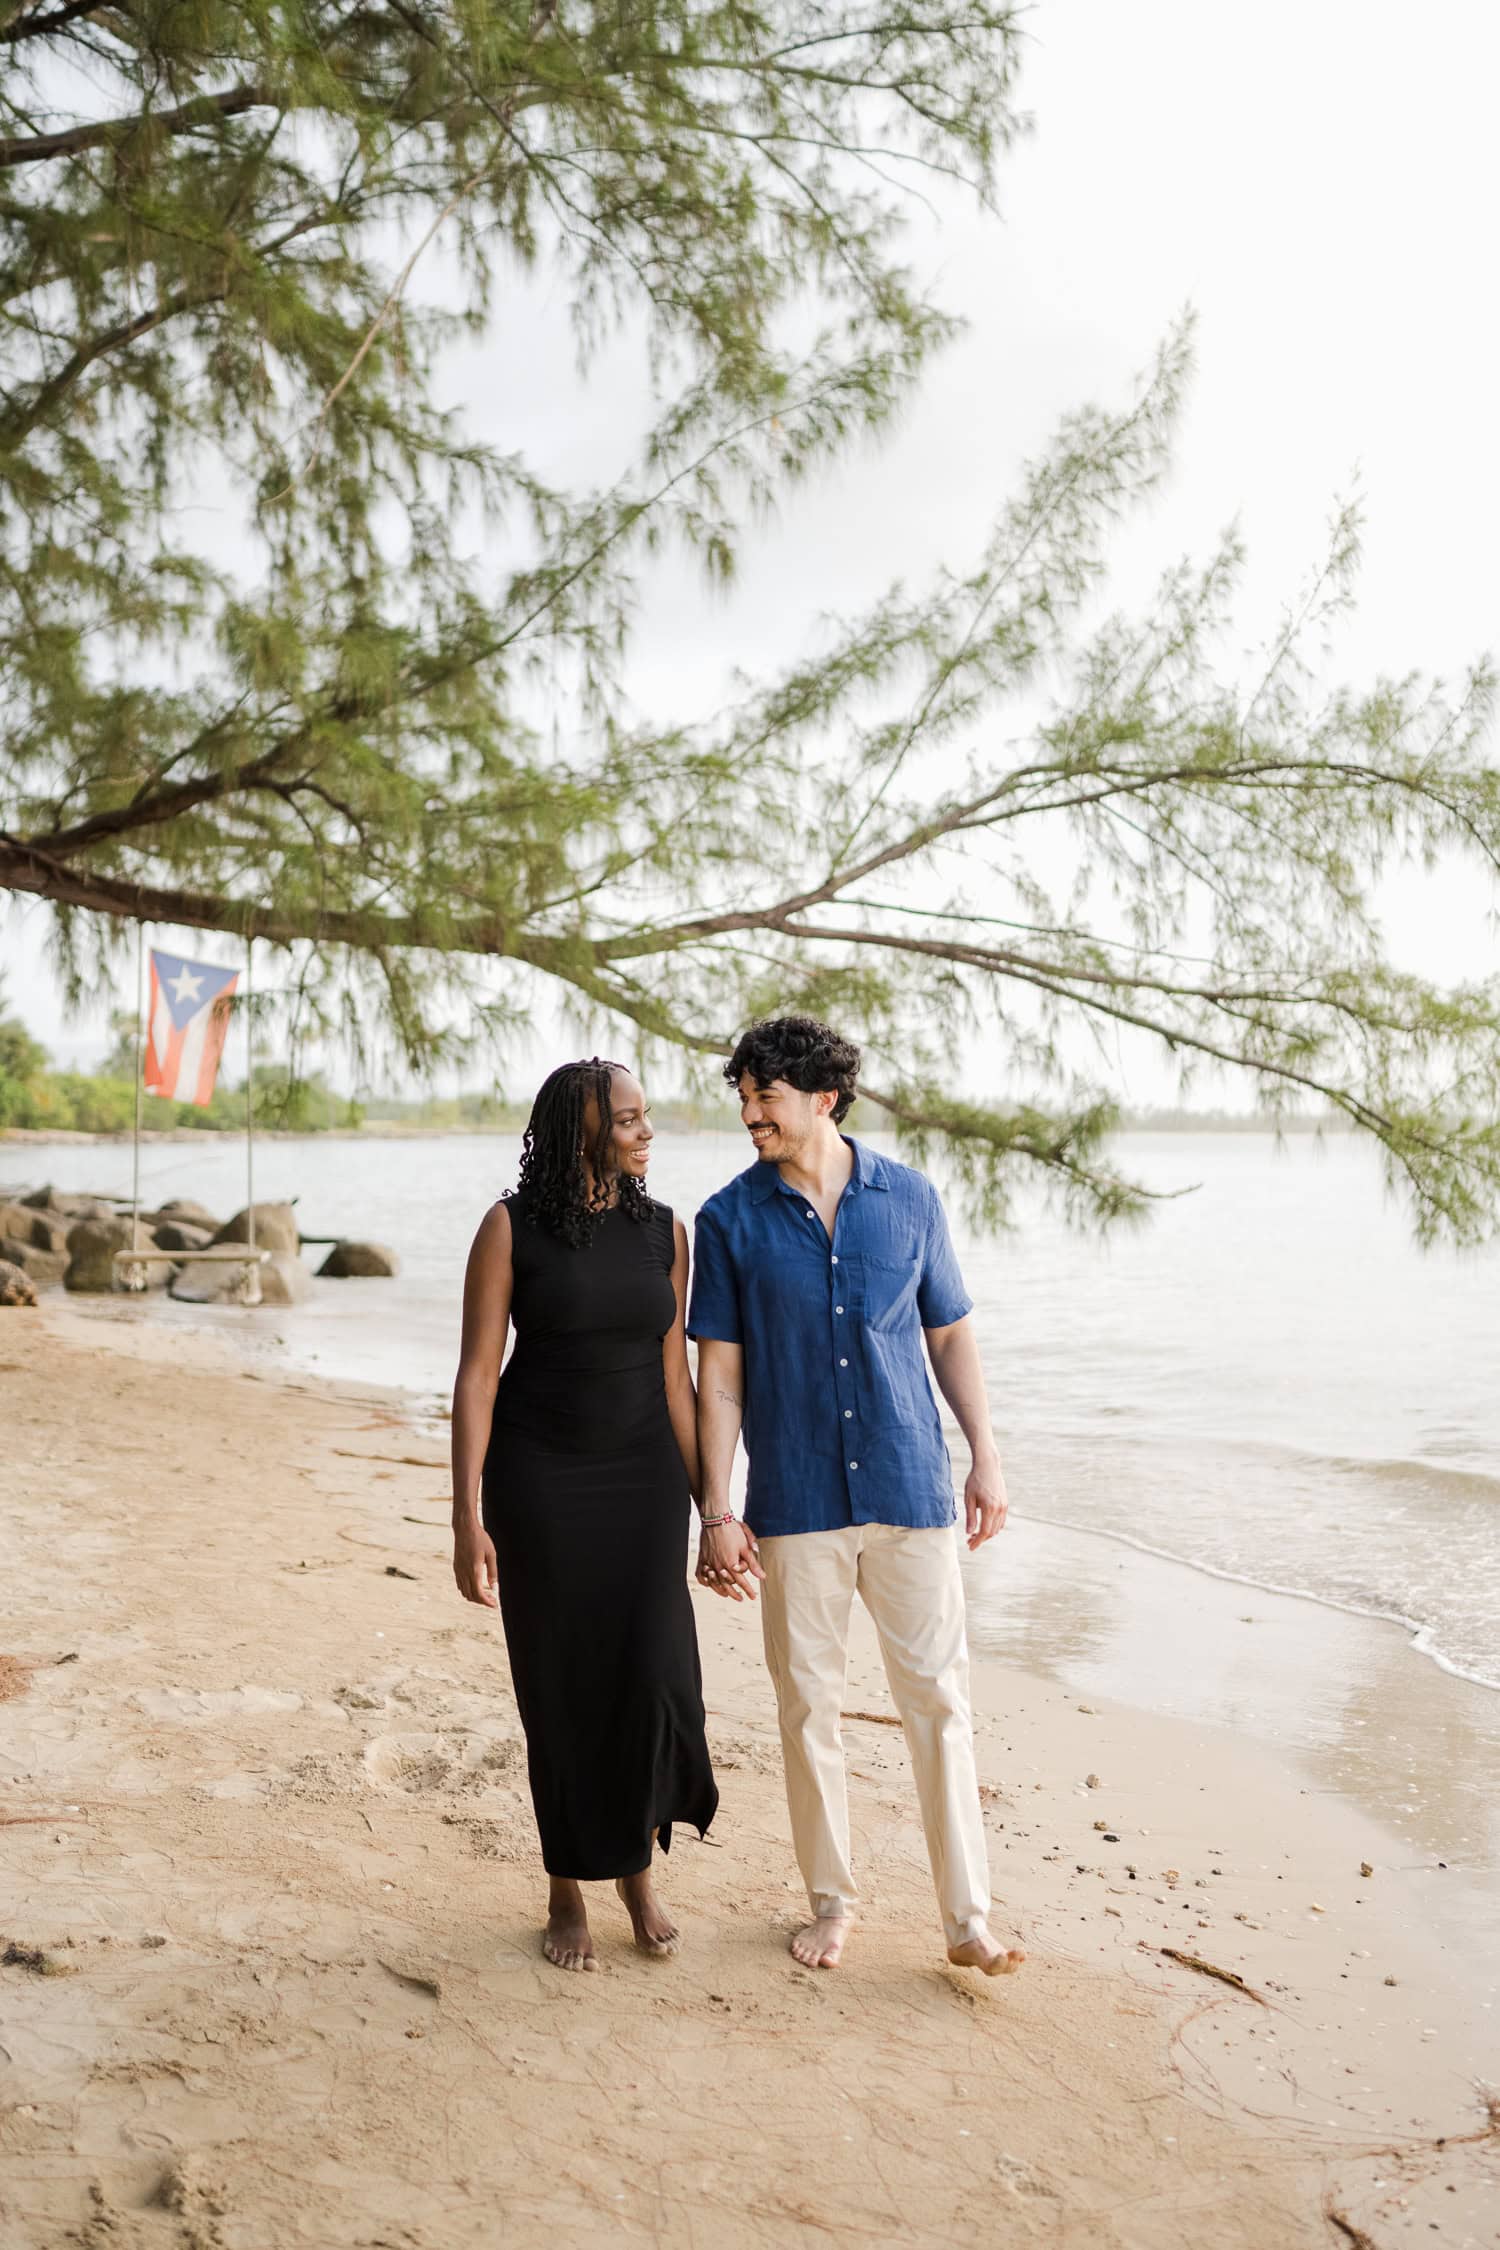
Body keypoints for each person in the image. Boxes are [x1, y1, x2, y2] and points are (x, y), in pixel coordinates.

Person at [689, 1015, 1024, 1978]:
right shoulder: (727, 1220)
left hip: (911, 1484)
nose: (751, 1113)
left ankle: (968, 1920)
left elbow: (950, 1335)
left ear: (823, 1097)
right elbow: (720, 1377)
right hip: (794, 1501)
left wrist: (985, 1456)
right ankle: (832, 1904)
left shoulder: (910, 1200)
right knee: (808, 1709)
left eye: (768, 1096)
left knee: (939, 1703)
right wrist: (716, 1508)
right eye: (743, 1096)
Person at [450, 1058, 717, 1971]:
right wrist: (465, 1516)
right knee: (561, 1689)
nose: (649, 1132)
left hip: (644, 1483)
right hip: (542, 1482)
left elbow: (676, 1380)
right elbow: (477, 1376)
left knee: (651, 1678)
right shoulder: (510, 1228)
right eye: (632, 1119)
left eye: (648, 1117)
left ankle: (638, 1870)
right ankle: (568, 1884)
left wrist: (713, 1506)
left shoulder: (666, 1233)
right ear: (584, 1130)